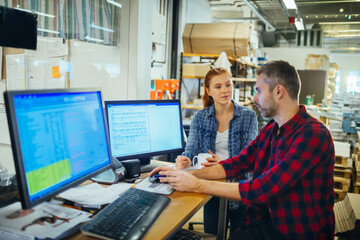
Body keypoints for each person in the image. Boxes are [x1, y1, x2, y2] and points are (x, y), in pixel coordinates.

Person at [151, 60, 335, 240]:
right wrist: (182, 174)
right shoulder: (271, 130)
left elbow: (263, 188)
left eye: (259, 91)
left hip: (296, 232)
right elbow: (237, 163)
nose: (254, 98)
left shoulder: (312, 134)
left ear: (278, 91)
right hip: (268, 223)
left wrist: (196, 184)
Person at [175, 67, 258, 235]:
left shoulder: (248, 116)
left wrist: (224, 164)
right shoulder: (200, 117)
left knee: (240, 235)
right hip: (210, 185)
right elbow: (190, 150)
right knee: (212, 235)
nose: (225, 90)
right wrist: (185, 159)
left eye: (228, 85)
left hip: (239, 187)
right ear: (208, 91)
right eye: (218, 87)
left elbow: (251, 157)